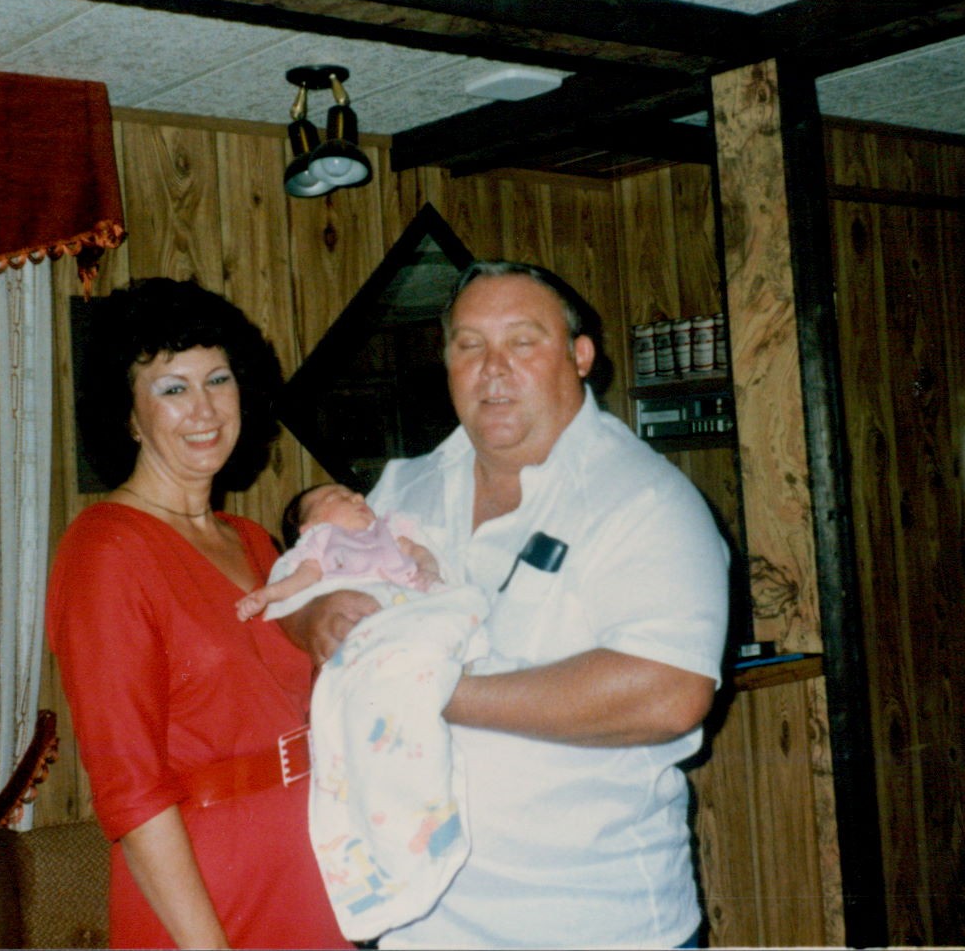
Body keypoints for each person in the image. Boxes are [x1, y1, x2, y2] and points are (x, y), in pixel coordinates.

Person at [280, 261, 730, 949]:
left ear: (581, 356)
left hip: (598, 927)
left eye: (523, 341)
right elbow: (295, 587)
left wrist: (436, 689)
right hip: (417, 925)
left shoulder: (646, 498)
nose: (493, 368)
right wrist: (313, 618)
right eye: (469, 344)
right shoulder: (403, 486)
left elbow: (669, 693)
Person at [45, 277, 350, 950]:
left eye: (218, 379)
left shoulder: (254, 541)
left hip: (313, 864)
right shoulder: (104, 549)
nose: (204, 409)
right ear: (129, 414)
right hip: (205, 891)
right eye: (172, 388)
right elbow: (130, 790)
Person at [235, 483, 444, 622]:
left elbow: (418, 551)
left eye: (356, 495)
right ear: (310, 527)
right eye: (339, 497)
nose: (358, 497)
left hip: (412, 601)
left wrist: (428, 572)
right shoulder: (323, 540)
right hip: (365, 611)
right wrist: (266, 595)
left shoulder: (388, 529)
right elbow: (303, 577)